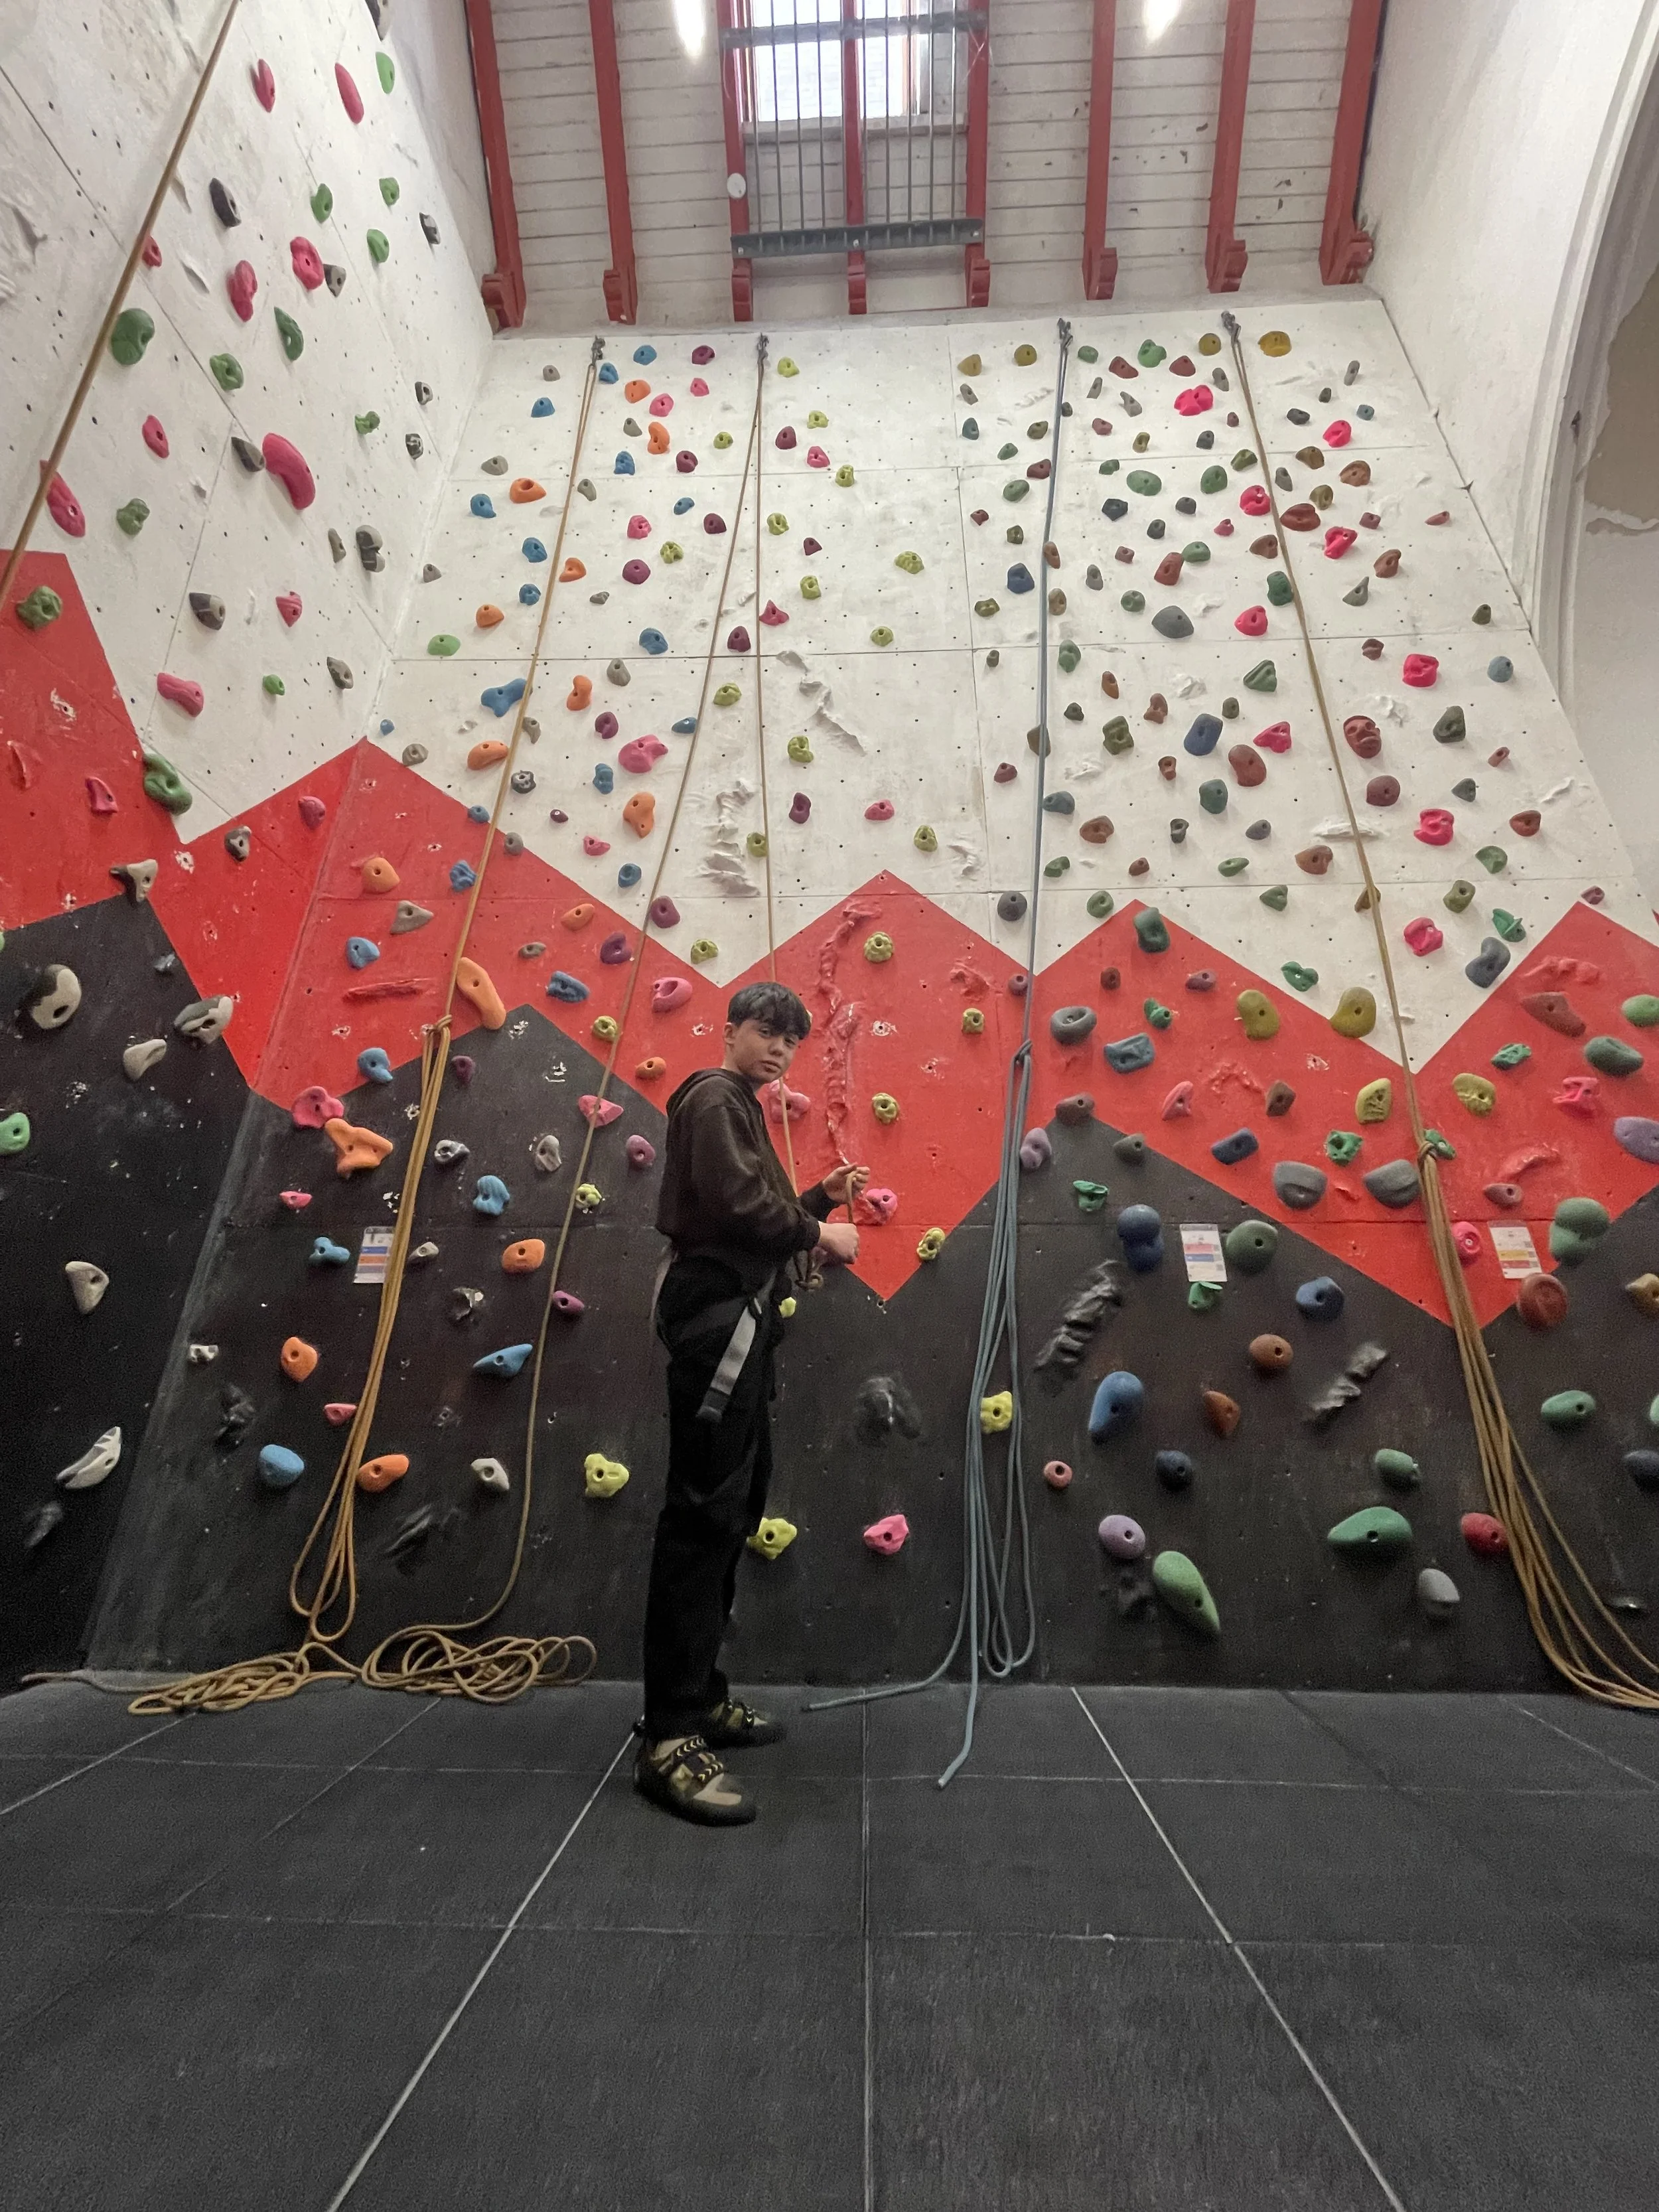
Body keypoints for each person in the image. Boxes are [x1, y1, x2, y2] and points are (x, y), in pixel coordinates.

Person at [636, 980, 868, 1826]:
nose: (778, 1050)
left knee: (730, 1511)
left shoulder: (739, 1107)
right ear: (729, 1031)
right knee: (702, 1518)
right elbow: (735, 1208)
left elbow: (743, 1212)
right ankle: (667, 1738)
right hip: (717, 1326)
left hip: (737, 1324)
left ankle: (696, 1700)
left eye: (789, 1042)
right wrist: (818, 1236)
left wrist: (815, 1200)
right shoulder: (711, 1095)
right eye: (766, 1032)